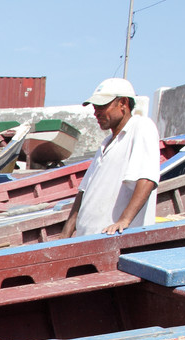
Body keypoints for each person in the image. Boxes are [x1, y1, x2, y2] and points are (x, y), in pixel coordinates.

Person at [61, 77, 161, 238]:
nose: (96, 112)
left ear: (123, 103)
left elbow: (147, 179)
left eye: (102, 106)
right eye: (95, 107)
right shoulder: (106, 143)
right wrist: (65, 235)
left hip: (113, 240)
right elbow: (83, 192)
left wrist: (124, 220)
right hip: (88, 239)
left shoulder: (141, 126)